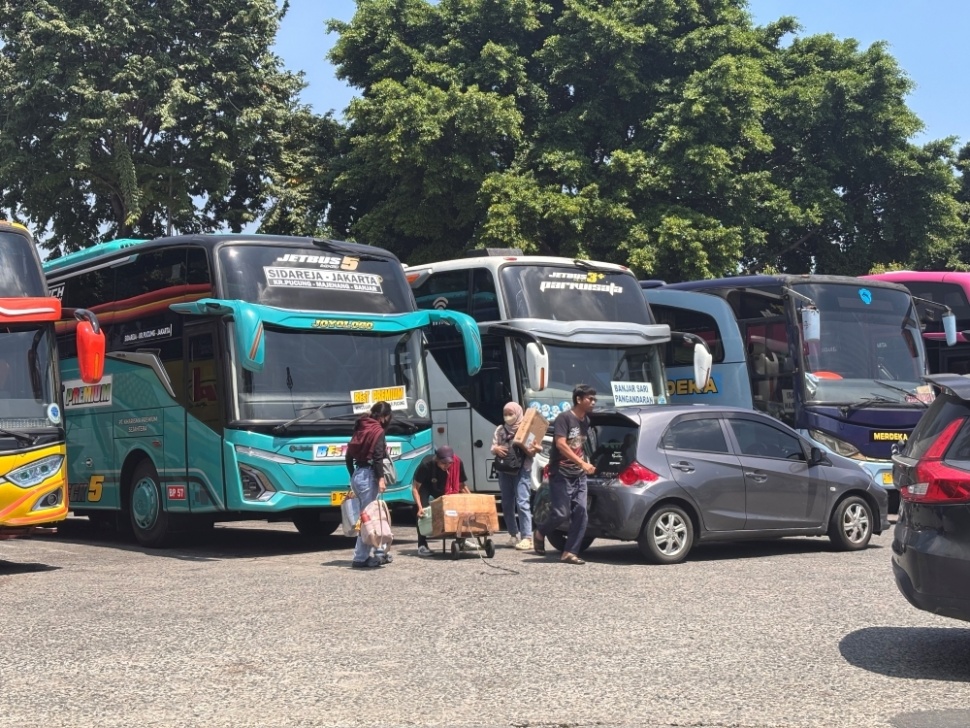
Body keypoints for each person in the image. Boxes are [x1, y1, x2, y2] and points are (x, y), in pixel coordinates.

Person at [533, 384, 597, 565]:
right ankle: (540, 532)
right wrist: (582, 463)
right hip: (561, 472)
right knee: (561, 513)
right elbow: (561, 444)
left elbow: (580, 445)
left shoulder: (586, 421)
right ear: (578, 399)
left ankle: (569, 552)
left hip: (579, 475)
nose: (593, 402)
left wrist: (588, 460)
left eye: (594, 399)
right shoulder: (564, 418)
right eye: (589, 399)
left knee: (582, 512)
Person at [345, 401, 393, 569]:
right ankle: (360, 558)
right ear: (384, 416)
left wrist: (353, 476)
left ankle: (378, 551)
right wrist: (380, 479)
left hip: (358, 475)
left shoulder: (361, 427)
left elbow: (348, 456)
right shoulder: (378, 431)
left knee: (365, 517)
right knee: (368, 520)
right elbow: (378, 458)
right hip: (369, 476)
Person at [491, 402, 541, 550]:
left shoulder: (526, 429)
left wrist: (533, 447)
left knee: (522, 502)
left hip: (522, 469)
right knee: (506, 503)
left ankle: (527, 537)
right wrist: (496, 449)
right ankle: (513, 535)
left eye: (510, 413)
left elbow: (535, 448)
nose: (508, 417)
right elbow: (493, 446)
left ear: (518, 413)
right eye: (505, 414)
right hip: (504, 469)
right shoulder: (500, 429)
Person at [412, 445, 473, 556]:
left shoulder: (457, 463)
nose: (447, 466)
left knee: (455, 508)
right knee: (423, 512)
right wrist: (419, 507)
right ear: (437, 460)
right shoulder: (426, 464)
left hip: (444, 486)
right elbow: (415, 487)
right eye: (444, 463)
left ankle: (461, 540)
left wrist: (472, 499)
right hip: (425, 486)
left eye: (449, 463)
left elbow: (461, 485)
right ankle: (422, 545)